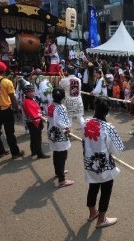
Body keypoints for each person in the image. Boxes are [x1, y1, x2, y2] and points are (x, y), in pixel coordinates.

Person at [83, 96, 124, 228]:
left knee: (93, 186)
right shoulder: (108, 127)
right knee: (106, 190)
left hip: (90, 163)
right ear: (107, 110)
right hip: (104, 165)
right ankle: (101, 219)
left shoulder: (86, 122)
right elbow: (117, 148)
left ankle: (92, 212)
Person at [0, 61, 24, 159]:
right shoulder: (7, 82)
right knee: (10, 133)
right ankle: (15, 153)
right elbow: (13, 98)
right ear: (4, 70)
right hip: (6, 110)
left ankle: (1, 152)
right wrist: (18, 111)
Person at [47, 88, 74, 187]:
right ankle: (62, 180)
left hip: (52, 132)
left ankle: (58, 171)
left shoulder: (50, 105)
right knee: (62, 156)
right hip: (60, 134)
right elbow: (60, 122)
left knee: (56, 153)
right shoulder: (61, 107)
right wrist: (67, 129)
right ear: (63, 97)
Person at [22, 85, 49, 159]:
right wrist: (42, 117)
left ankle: (34, 151)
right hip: (33, 122)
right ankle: (39, 153)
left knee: (33, 137)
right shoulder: (27, 102)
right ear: (25, 93)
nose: (32, 93)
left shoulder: (30, 99)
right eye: (29, 92)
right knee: (37, 138)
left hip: (34, 121)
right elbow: (33, 114)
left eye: (32, 91)